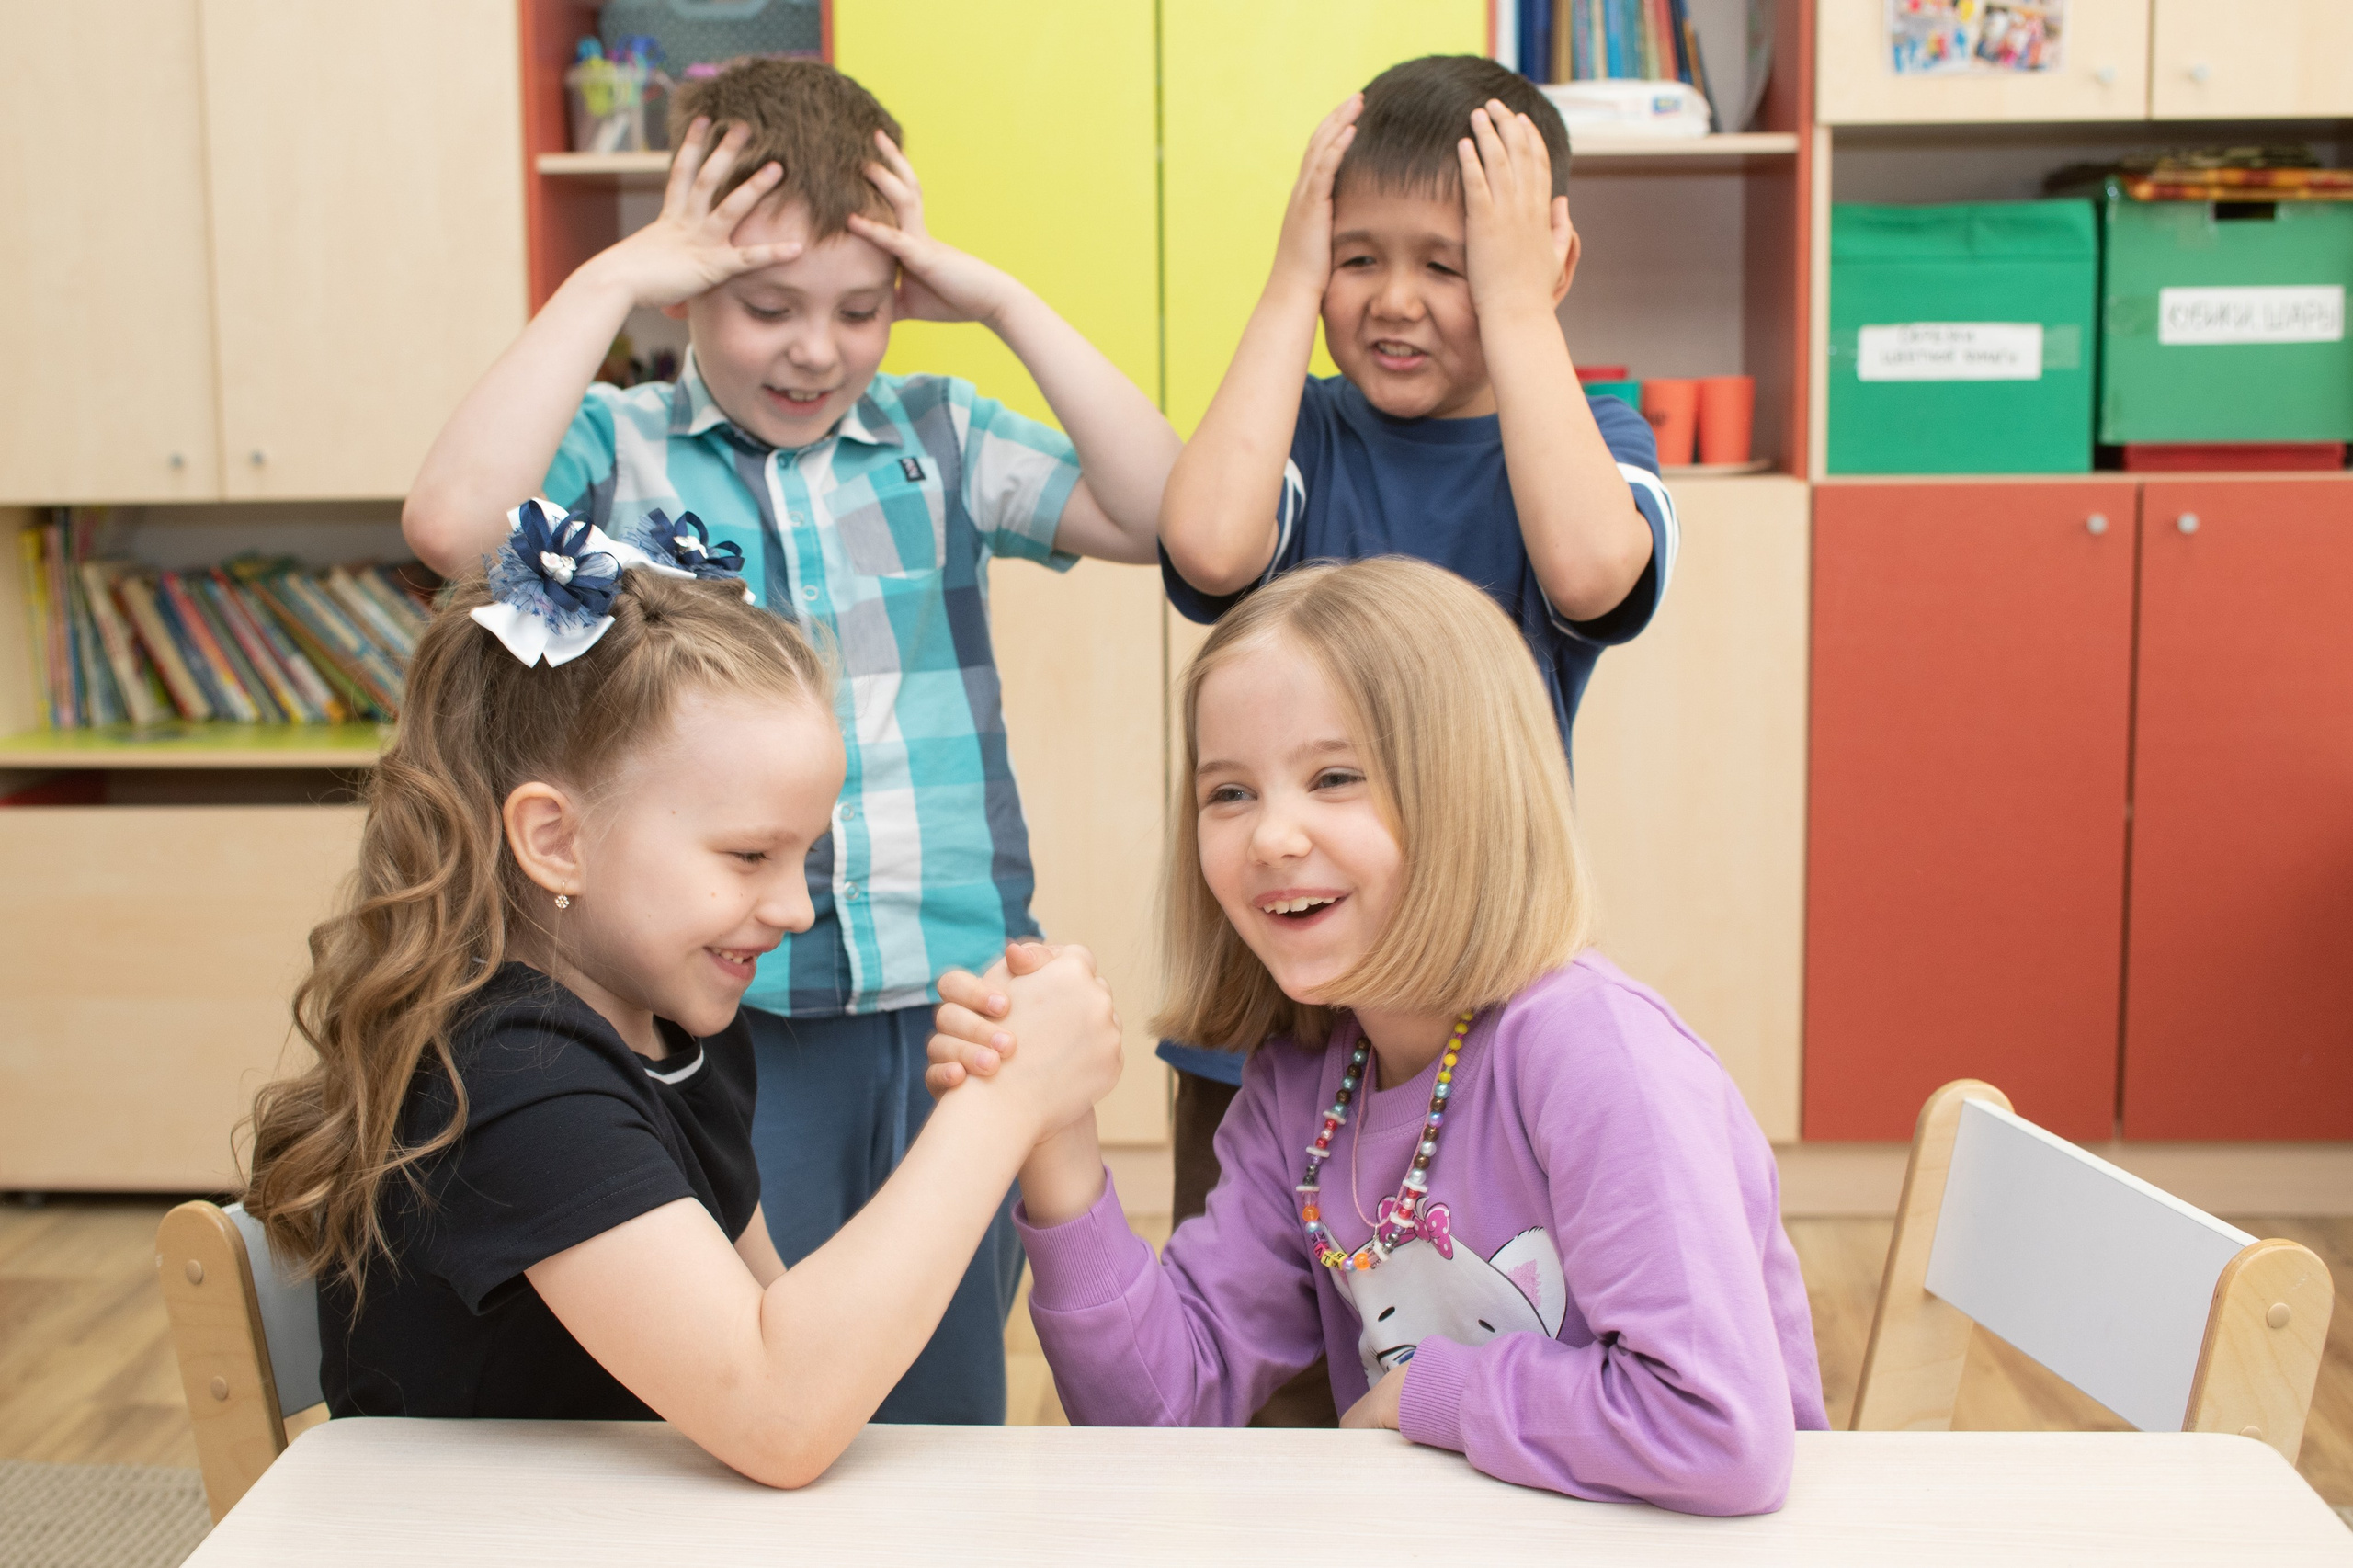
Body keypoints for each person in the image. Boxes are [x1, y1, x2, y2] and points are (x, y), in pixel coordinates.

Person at [399, 59, 1178, 1423]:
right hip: (729, 1015)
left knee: (933, 1407)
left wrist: (998, 301)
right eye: (765, 307)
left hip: (944, 1012)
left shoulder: (937, 435)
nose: (815, 349)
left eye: (861, 310)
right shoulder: (618, 449)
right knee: (752, 1382)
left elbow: (1182, 518)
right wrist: (607, 281)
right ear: (690, 289)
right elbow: (458, 532)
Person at [243, 506, 1124, 1487]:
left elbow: (786, 1335)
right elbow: (780, 1412)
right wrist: (1003, 1106)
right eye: (750, 854)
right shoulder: (506, 1071)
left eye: (804, 858)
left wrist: (1001, 1089)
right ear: (555, 839)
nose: (794, 907)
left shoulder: (668, 1033)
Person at [927, 560, 1824, 1513]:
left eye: (1334, 777)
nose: (1271, 834)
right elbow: (1158, 1411)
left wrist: (1430, 1391)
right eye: (1229, 792)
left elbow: (1714, 1428)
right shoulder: (1305, 1084)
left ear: (1464, 792)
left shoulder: (1594, 1051)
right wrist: (1054, 1129)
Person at [1150, 56, 1681, 1410]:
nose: (1393, 300)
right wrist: (1282, 285)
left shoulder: (1581, 434)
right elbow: (1207, 543)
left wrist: (1518, 307)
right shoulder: (1304, 430)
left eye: (1448, 263)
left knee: (1470, 1341)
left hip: (1470, 1024)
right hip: (1271, 1013)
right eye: (1356, 257)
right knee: (1259, 1378)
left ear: (1542, 264)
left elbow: (1590, 576)